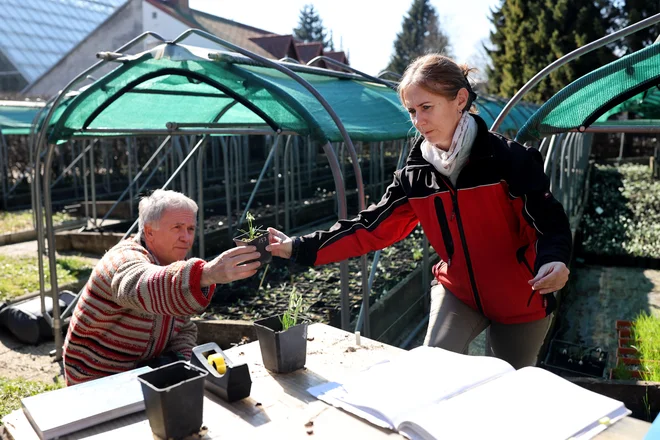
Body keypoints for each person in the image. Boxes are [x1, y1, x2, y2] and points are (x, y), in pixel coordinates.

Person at [267, 54, 571, 369]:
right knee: (433, 369)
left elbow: (549, 223)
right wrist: (297, 247)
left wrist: (555, 259)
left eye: (427, 107)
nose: (418, 121)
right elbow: (372, 227)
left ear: (460, 100)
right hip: (459, 291)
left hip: (520, 297)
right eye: (412, 111)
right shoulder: (417, 176)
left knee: (512, 383)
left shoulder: (510, 161)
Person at [63, 190, 261, 385]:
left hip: (140, 372)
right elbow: (139, 287)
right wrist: (206, 274)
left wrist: (181, 359)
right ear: (149, 232)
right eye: (177, 227)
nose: (186, 237)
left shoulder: (170, 262)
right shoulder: (122, 259)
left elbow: (182, 328)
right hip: (96, 379)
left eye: (191, 229)